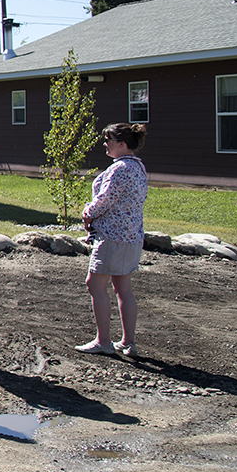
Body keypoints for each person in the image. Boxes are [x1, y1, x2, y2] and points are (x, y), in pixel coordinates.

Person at [78, 123, 148, 357]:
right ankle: (128, 342)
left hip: (112, 236)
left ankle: (103, 341)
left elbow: (105, 199)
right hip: (132, 236)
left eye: (109, 140)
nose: (105, 144)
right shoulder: (138, 167)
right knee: (123, 288)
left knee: (94, 284)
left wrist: (87, 212)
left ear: (122, 143)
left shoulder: (120, 169)